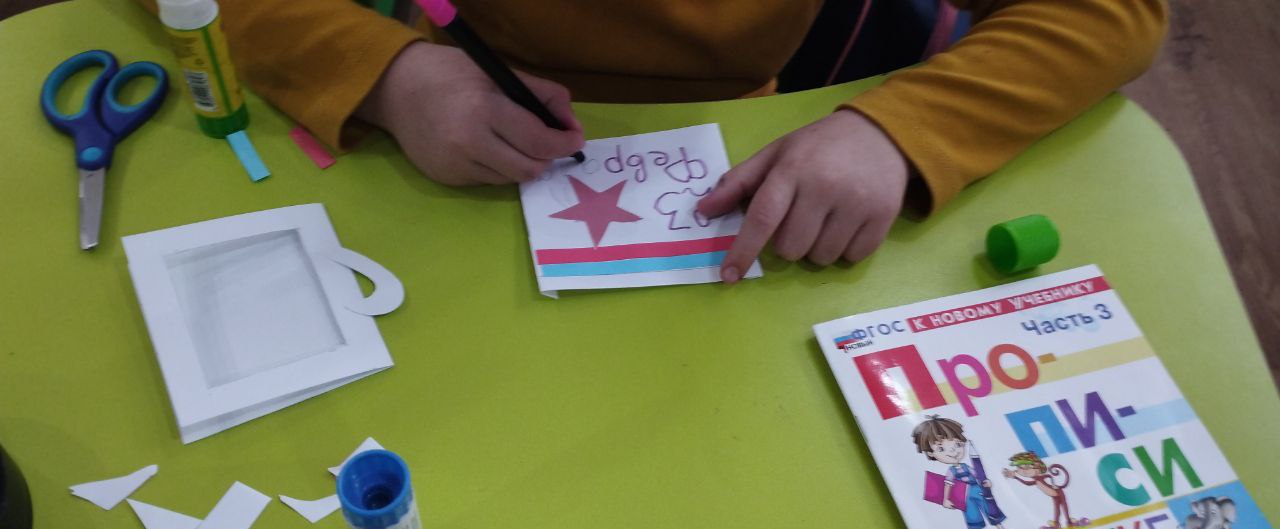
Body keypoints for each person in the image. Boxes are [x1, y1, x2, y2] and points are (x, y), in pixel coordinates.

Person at [140, 0, 1167, 283]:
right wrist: (389, 73)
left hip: (766, 126)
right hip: (461, 120)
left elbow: (1112, 11)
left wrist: (899, 132)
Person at [912, 415, 1022, 529]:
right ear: (930, 453)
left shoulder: (966, 466)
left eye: (957, 445)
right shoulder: (951, 471)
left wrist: (987, 483)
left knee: (992, 511)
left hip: (979, 491)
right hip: (965, 497)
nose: (953, 451)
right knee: (973, 517)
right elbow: (948, 485)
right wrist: (946, 499)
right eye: (941, 449)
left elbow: (978, 475)